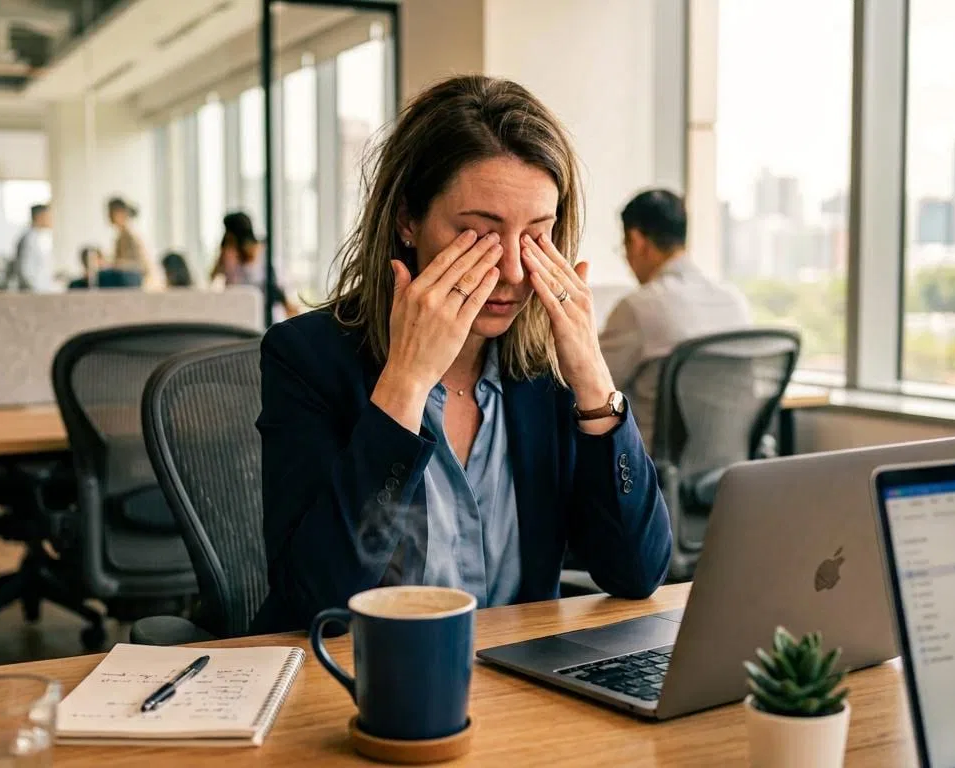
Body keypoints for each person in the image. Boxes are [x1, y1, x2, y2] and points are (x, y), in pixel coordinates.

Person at [252, 75, 672, 633]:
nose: (515, 272)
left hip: (521, 691)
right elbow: (319, 603)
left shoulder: (542, 373)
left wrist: (594, 381)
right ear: (407, 220)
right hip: (367, 687)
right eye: (480, 233)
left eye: (536, 235)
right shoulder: (307, 358)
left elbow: (637, 573)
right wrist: (405, 381)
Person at [598, 189, 751, 449]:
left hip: (650, 476)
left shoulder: (638, 307)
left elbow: (588, 384)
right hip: (724, 468)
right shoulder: (734, 301)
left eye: (623, 248)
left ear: (637, 241)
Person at [210, 211, 299, 318]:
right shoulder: (228, 254)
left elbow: (276, 285)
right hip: (236, 309)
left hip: (263, 311)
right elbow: (213, 276)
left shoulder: (262, 252)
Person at [9, 203, 56, 293]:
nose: (51, 220)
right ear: (40, 217)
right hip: (33, 293)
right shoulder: (29, 239)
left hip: (40, 291)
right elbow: (26, 271)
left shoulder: (39, 237)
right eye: (48, 216)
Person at [107, 197, 150, 279]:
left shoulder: (132, 235)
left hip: (138, 282)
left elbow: (139, 265)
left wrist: (111, 264)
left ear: (119, 213)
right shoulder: (121, 236)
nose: (108, 216)